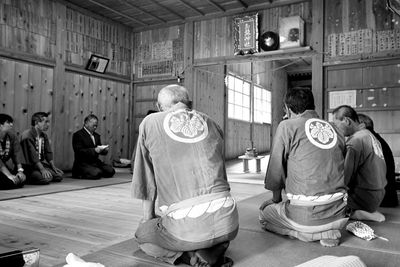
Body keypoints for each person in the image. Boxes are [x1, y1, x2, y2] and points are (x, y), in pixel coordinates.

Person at [132, 84, 238, 266]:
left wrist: (148, 220)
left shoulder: (150, 122)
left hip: (185, 225)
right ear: (189, 103)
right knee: (206, 224)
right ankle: (214, 244)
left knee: (142, 236)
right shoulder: (211, 122)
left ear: (159, 107)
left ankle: (187, 257)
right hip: (229, 219)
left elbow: (146, 179)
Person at [259, 88, 348, 247]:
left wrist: (275, 199)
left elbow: (275, 167)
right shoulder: (335, 128)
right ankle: (327, 230)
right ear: (313, 106)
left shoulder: (287, 125)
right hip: (340, 212)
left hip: (305, 216)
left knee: (265, 216)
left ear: (287, 108)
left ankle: (304, 234)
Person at [332, 106, 387, 222]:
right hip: (377, 195)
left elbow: (345, 178)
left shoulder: (355, 141)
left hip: (363, 197)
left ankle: (354, 212)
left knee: (325, 208)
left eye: (336, 125)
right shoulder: (369, 135)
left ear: (346, 121)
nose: (336, 130)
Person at [357, 113, 398, 207]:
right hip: (386, 197)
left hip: (379, 202)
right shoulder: (375, 139)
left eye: (353, 123)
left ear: (362, 125)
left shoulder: (366, 140)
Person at [20, 112, 64, 185]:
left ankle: (40, 173)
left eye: (48, 122)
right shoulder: (27, 135)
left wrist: (53, 166)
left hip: (40, 164)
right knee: (47, 178)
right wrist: (42, 169)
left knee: (59, 175)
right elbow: (32, 155)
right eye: (46, 122)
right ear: (36, 122)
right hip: (28, 166)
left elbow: (48, 152)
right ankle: (28, 177)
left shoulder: (43, 135)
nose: (48, 125)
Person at [72, 114, 115, 179]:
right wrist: (94, 150)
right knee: (96, 173)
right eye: (93, 125)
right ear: (86, 123)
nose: (95, 127)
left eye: (96, 126)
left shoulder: (96, 136)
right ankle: (79, 173)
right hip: (83, 163)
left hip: (95, 162)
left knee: (111, 171)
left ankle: (97, 171)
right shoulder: (78, 135)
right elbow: (79, 151)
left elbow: (99, 149)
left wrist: (104, 150)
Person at [0, 114, 26, 189]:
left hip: (3, 166)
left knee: (20, 180)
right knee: (8, 182)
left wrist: (20, 171)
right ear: (0, 125)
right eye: (8, 122)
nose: (11, 125)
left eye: (11, 122)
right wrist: (8, 175)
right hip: (1, 166)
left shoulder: (12, 136)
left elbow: (17, 154)